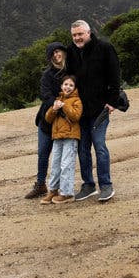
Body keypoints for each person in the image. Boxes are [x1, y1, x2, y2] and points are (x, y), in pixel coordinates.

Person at [66, 20, 122, 202]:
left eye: (80, 34)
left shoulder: (105, 48)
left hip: (100, 109)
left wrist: (112, 102)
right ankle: (88, 185)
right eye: (74, 35)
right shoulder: (71, 52)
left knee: (99, 146)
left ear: (89, 32)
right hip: (80, 110)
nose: (77, 38)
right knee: (82, 149)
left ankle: (106, 185)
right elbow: (69, 79)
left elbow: (115, 76)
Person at [25, 42, 68, 199]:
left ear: (64, 52)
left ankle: (64, 186)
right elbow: (45, 95)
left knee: (65, 154)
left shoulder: (72, 70)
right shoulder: (47, 75)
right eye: (53, 54)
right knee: (43, 152)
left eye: (58, 51)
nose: (56, 55)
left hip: (66, 120)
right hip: (48, 119)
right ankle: (40, 184)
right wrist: (57, 104)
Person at [40, 75, 83, 203]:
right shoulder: (57, 99)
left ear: (74, 88)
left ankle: (67, 193)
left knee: (66, 165)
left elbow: (75, 116)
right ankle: (53, 190)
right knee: (55, 165)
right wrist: (54, 109)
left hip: (70, 137)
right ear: (61, 86)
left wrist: (64, 106)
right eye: (65, 84)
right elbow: (48, 118)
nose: (67, 87)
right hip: (57, 137)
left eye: (71, 85)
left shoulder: (77, 101)